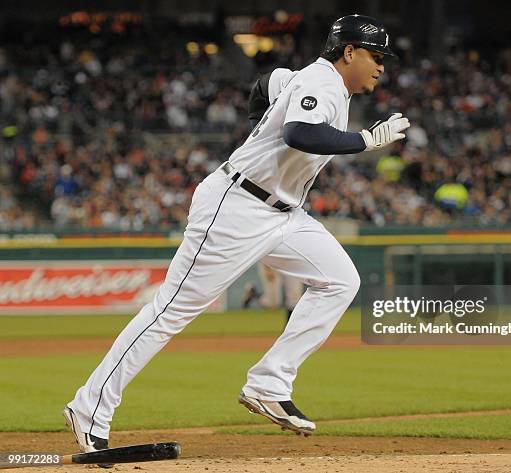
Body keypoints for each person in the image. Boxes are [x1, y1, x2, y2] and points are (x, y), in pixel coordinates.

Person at [63, 13, 409, 458]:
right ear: (348, 52)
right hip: (237, 207)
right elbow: (300, 132)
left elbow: (267, 83)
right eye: (375, 56)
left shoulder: (314, 82)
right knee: (170, 312)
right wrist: (364, 140)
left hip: (284, 214)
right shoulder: (321, 81)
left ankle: (269, 383)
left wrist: (257, 124)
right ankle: (88, 407)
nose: (381, 66)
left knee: (341, 280)